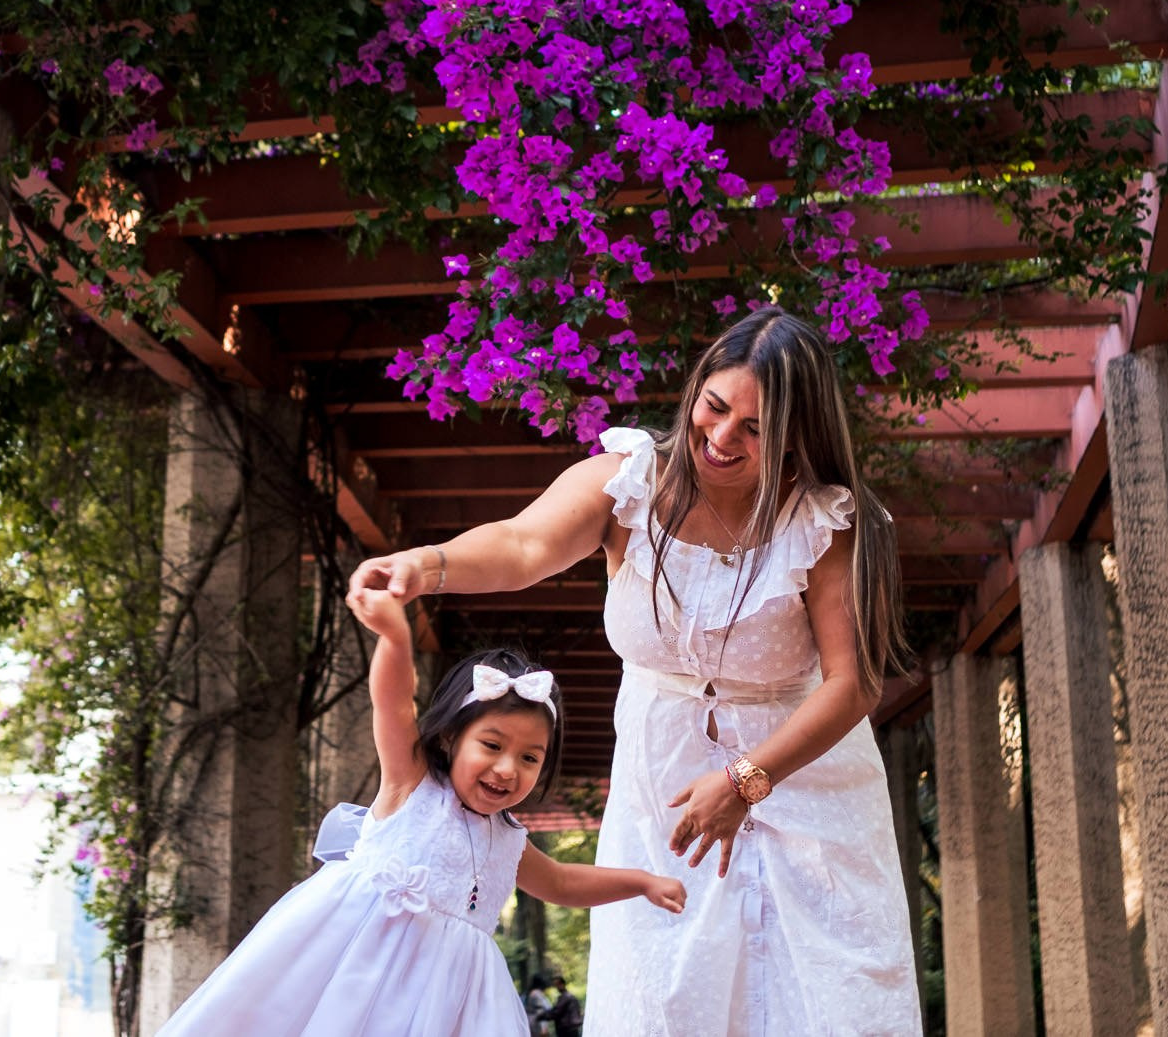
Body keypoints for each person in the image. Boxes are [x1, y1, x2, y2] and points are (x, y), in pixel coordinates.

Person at [348, 307, 921, 1035]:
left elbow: (854, 682)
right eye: (713, 408)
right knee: (668, 1000)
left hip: (806, 788)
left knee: (830, 1000)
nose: (720, 438)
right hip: (664, 794)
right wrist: (424, 566)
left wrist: (747, 780)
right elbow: (523, 545)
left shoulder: (825, 518)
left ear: (794, 435)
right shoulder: (628, 483)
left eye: (755, 428)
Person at [157, 585, 686, 1036]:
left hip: (449, 998)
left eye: (530, 757)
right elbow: (392, 704)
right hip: (357, 969)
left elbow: (564, 884)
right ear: (453, 736)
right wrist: (395, 637)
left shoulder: (509, 841)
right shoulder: (411, 785)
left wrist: (640, 882)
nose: (507, 769)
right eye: (492, 745)